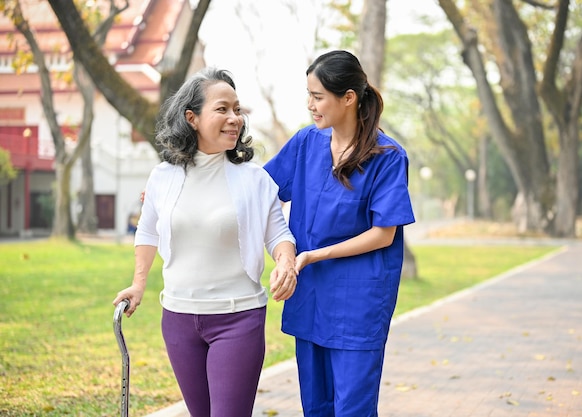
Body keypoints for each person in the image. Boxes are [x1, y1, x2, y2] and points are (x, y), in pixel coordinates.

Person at [113, 67, 297, 417]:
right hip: (178, 318)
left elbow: (278, 234)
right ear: (191, 117)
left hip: (238, 317)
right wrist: (138, 285)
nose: (235, 119)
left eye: (237, 110)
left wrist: (286, 263)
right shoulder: (162, 178)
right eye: (223, 109)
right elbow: (148, 231)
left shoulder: (254, 179)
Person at [264, 50, 415, 416]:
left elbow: (383, 234)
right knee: (316, 406)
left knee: (352, 408)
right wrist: (183, 182)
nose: (310, 105)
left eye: (318, 97)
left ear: (348, 98)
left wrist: (315, 254)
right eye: (309, 95)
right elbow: (258, 191)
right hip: (310, 297)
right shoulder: (305, 144)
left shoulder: (388, 156)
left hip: (358, 302)